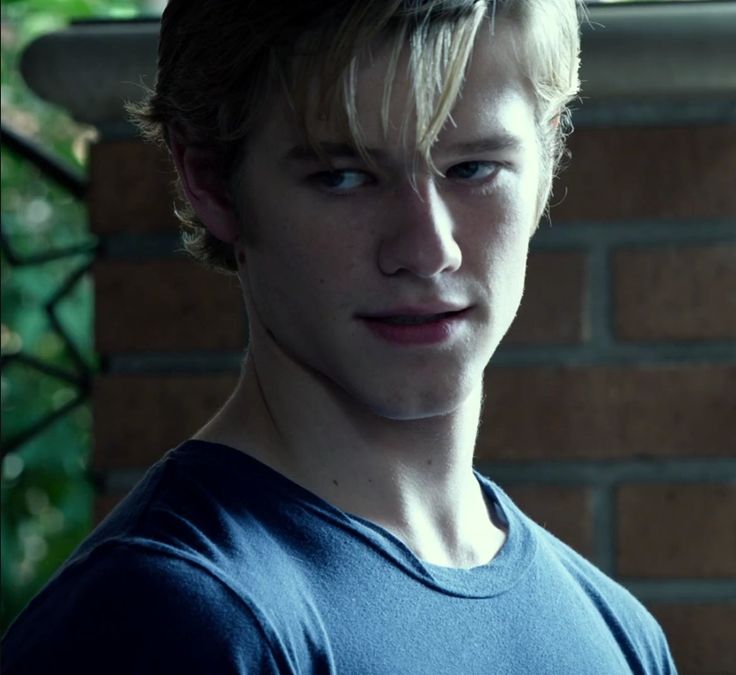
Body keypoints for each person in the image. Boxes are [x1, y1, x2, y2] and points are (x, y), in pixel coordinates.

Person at [3, 1, 677, 673]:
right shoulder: (171, 619)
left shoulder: (617, 635)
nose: (426, 248)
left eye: (473, 168)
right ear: (210, 180)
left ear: (549, 152)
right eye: (344, 175)